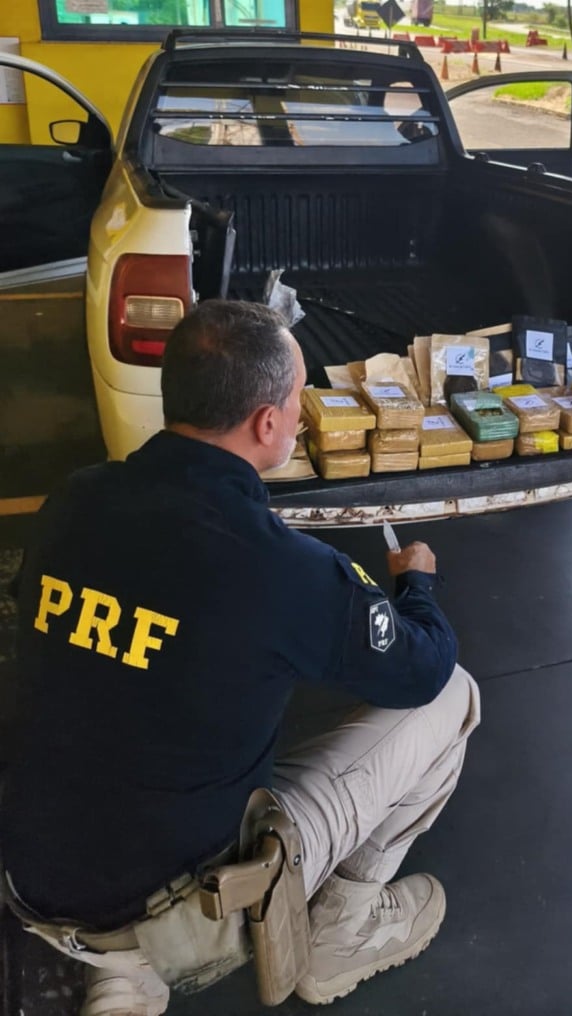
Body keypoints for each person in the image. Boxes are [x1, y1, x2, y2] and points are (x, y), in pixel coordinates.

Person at [0, 299, 480, 1016]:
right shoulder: (283, 570)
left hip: (33, 883)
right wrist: (416, 585)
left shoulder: (75, 498)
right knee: (453, 696)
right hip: (187, 912)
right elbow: (421, 666)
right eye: (296, 398)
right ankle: (338, 933)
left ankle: (119, 971)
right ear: (266, 424)